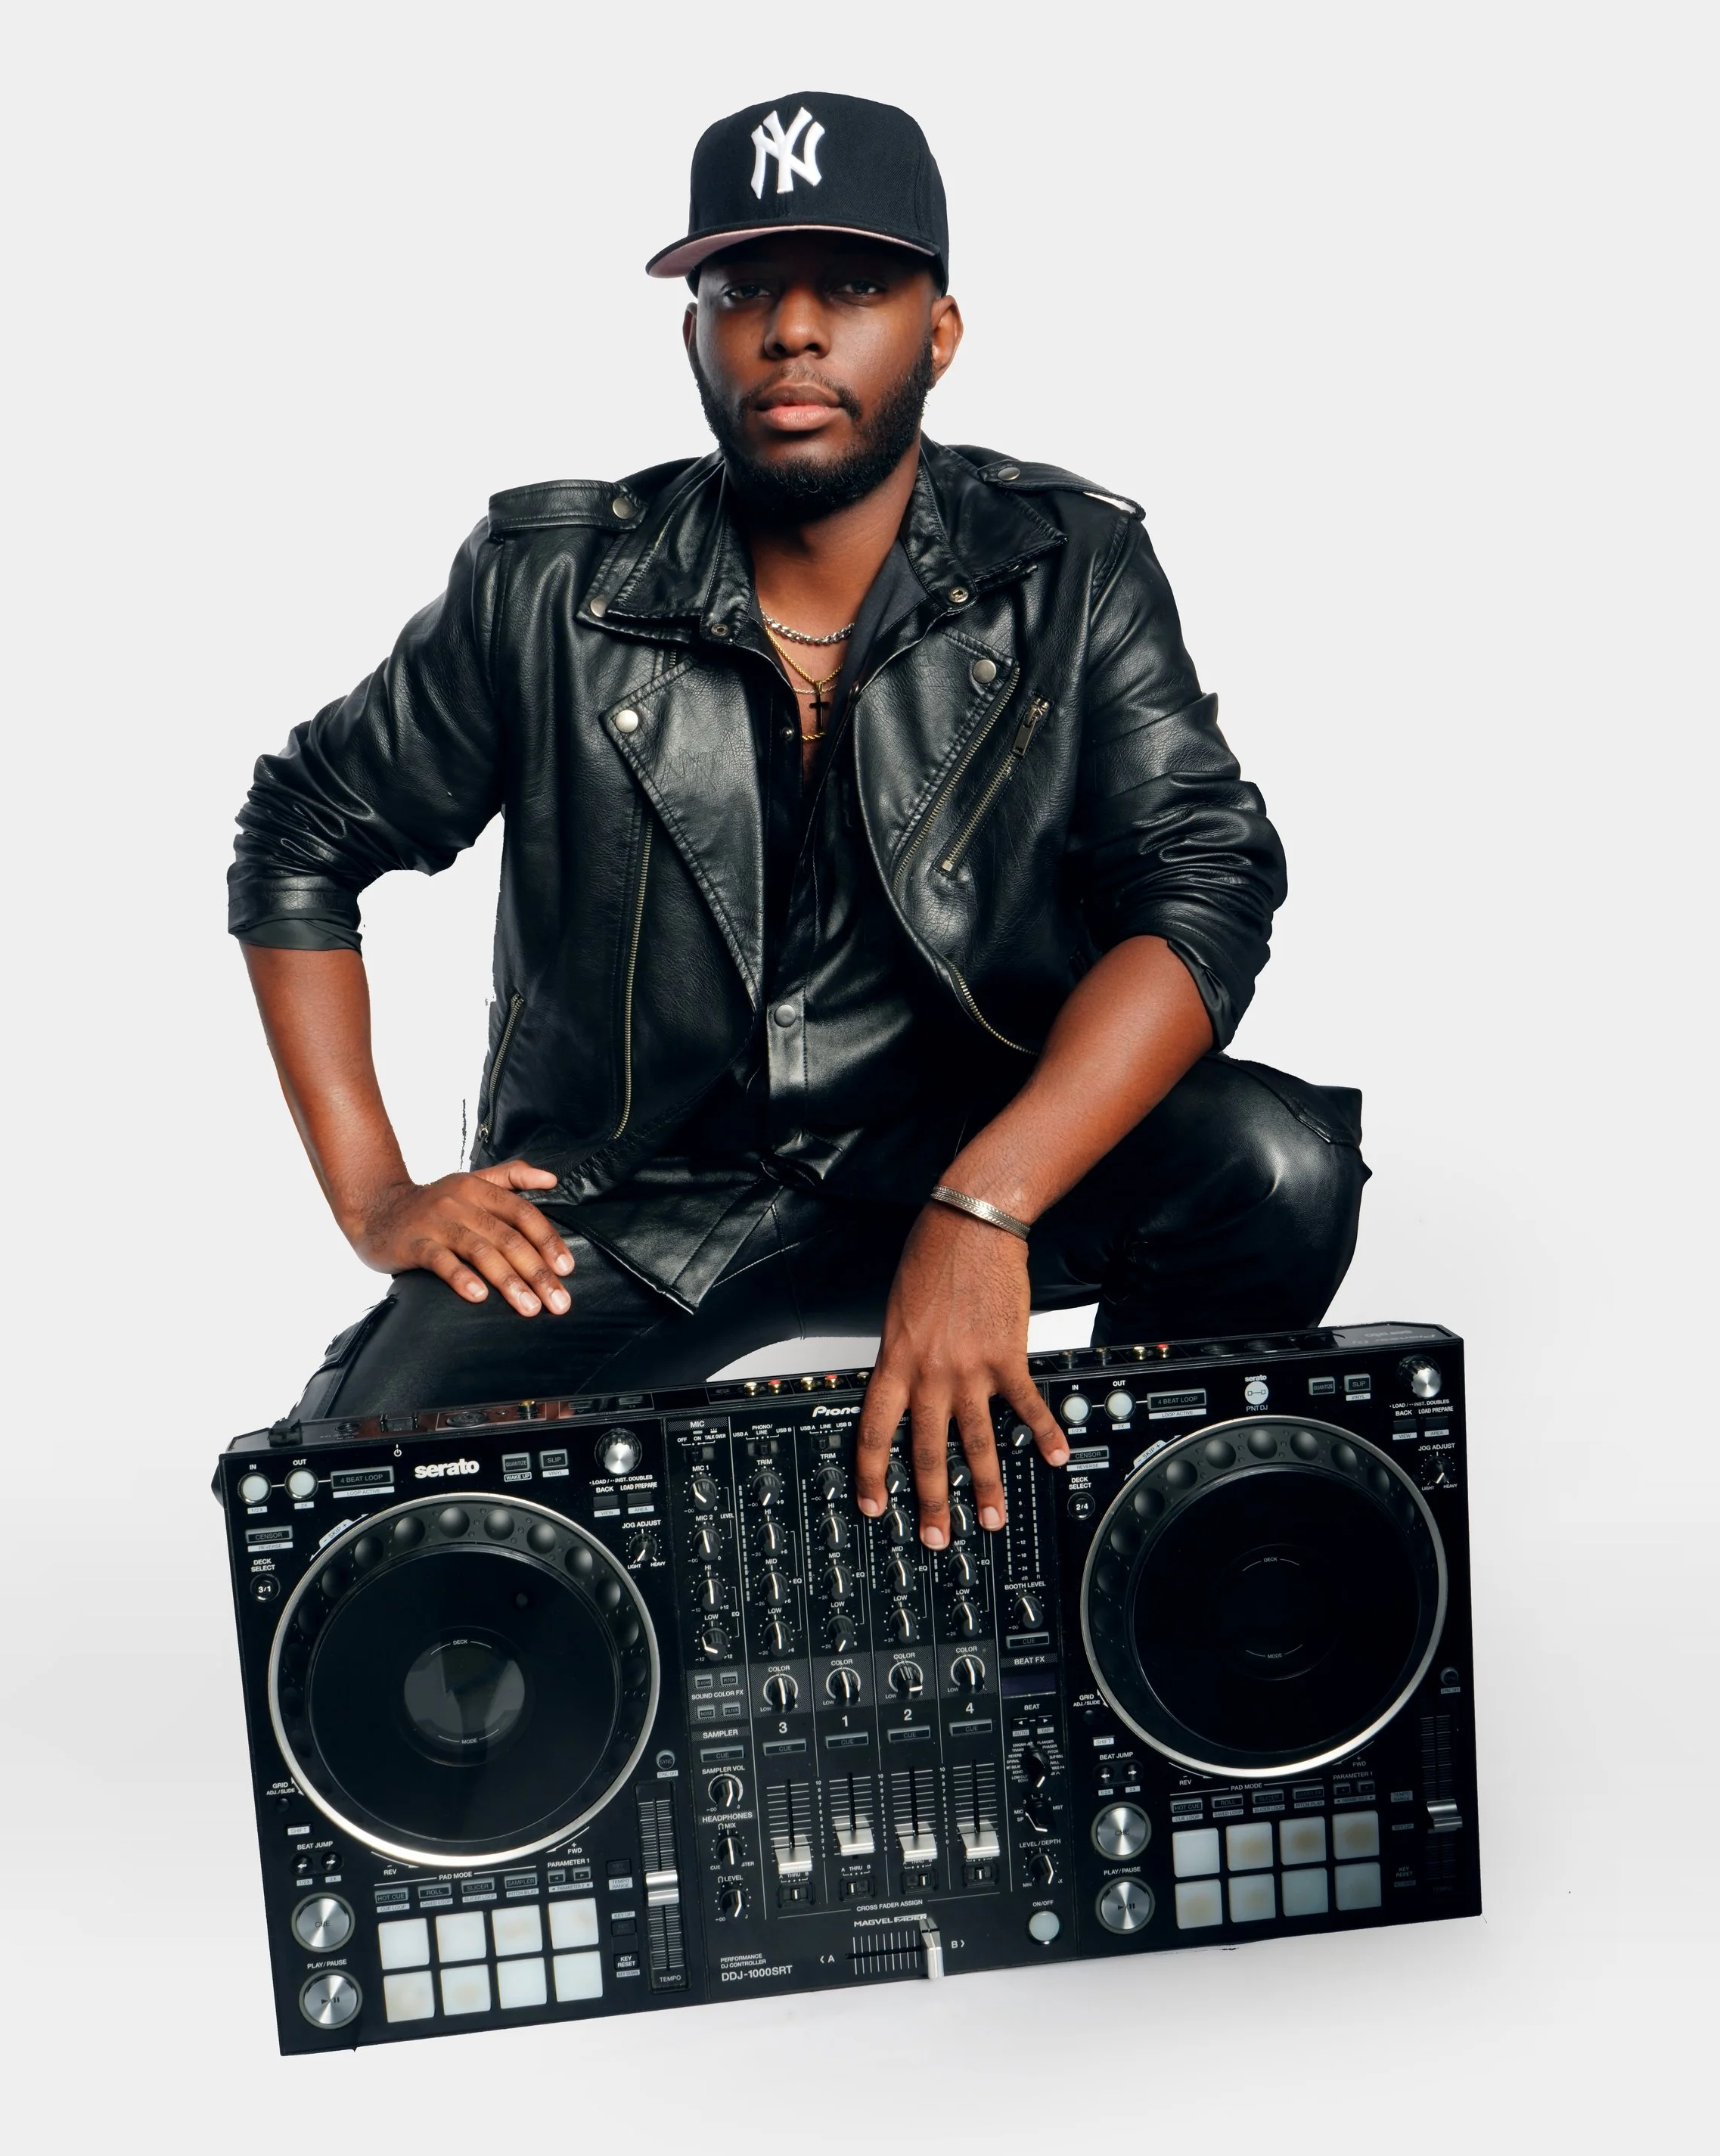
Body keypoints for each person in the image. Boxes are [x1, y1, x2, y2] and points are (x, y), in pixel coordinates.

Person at [228, 91, 1365, 1544]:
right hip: (636, 1197)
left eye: (857, 287)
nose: (795, 331)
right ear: (694, 335)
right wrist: (377, 1194)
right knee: (365, 1489)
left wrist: (988, 1204)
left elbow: (1201, 890)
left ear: (940, 332)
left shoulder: (1069, 570)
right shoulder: (546, 587)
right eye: (745, 289)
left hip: (964, 1138)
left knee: (1272, 1168)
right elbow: (303, 833)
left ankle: (1108, 1568)